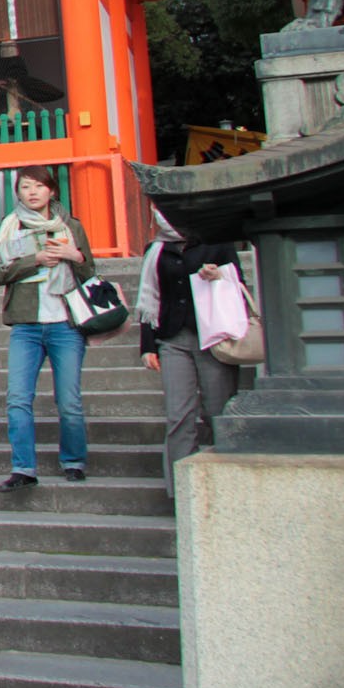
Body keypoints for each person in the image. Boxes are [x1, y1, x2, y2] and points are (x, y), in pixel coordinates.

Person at [0, 166, 95, 492]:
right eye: (25, 187)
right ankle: (23, 468)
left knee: (69, 400)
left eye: (38, 186)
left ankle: (74, 460)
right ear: (18, 192)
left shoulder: (70, 225)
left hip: (66, 323)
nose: (32, 192)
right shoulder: (11, 226)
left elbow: (90, 269)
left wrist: (72, 254)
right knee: (18, 398)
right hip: (27, 325)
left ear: (51, 190)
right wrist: (34, 259)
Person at [135, 209, 243, 497]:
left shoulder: (216, 240)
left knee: (217, 409)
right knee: (178, 414)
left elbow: (238, 283)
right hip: (172, 338)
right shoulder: (157, 248)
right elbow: (149, 297)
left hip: (213, 336)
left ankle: (227, 482)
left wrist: (219, 274)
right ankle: (182, 490)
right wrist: (147, 345)